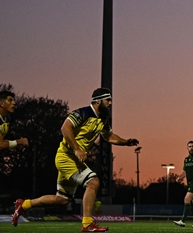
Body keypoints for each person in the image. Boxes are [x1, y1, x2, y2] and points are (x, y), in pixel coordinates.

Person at [12, 88, 139, 232]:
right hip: (66, 157)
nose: (110, 103)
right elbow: (65, 128)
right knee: (93, 182)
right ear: (98, 101)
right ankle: (87, 223)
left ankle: (24, 205)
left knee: (62, 200)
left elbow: (108, 136)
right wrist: (77, 149)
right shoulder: (83, 113)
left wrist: (126, 142)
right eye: (108, 100)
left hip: (73, 160)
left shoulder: (103, 118)